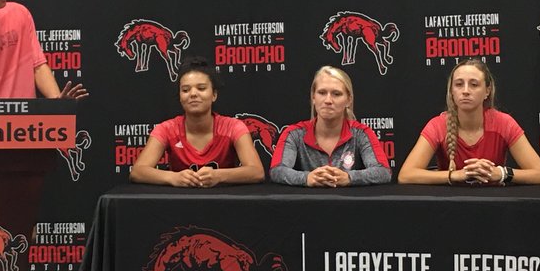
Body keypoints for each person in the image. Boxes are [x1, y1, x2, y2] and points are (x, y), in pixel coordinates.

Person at [397, 59, 540, 186]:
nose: (465, 91)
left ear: (487, 91)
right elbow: (406, 175)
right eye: (459, 84)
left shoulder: (504, 123)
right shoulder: (438, 125)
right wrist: (456, 175)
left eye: (474, 84)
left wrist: (501, 173)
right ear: (451, 91)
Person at [130, 57, 263, 187]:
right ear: (180, 97)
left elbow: (257, 172)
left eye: (201, 88)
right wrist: (173, 177)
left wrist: (219, 176)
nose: (193, 94)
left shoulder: (233, 127)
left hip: (224, 199)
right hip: (180, 200)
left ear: (214, 95)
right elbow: (137, 171)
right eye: (185, 90)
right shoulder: (166, 129)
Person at [269, 65, 392, 187]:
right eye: (322, 93)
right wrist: (306, 178)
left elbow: (383, 172)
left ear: (348, 100)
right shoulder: (294, 134)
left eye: (336, 94)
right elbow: (277, 170)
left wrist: (349, 178)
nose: (328, 100)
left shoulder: (361, 133)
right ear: (313, 97)